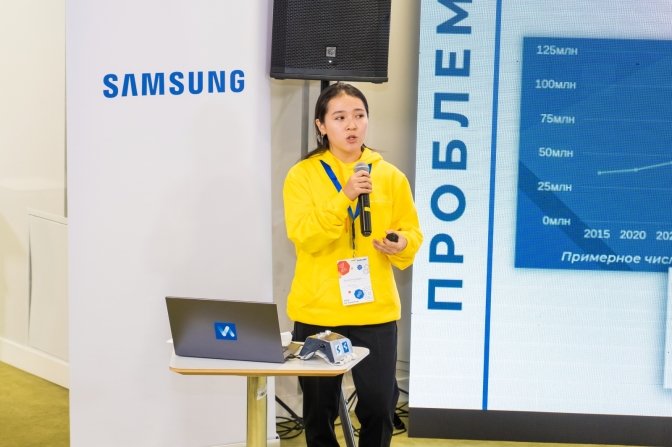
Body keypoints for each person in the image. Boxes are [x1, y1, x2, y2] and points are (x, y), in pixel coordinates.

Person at [282, 82, 423, 447]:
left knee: (379, 404)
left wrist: (401, 242)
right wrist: (344, 195)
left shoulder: (389, 176)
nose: (351, 125)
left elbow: (411, 232)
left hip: (374, 311)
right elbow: (306, 236)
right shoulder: (303, 176)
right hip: (319, 310)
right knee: (318, 410)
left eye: (359, 116)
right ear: (321, 125)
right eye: (340, 117)